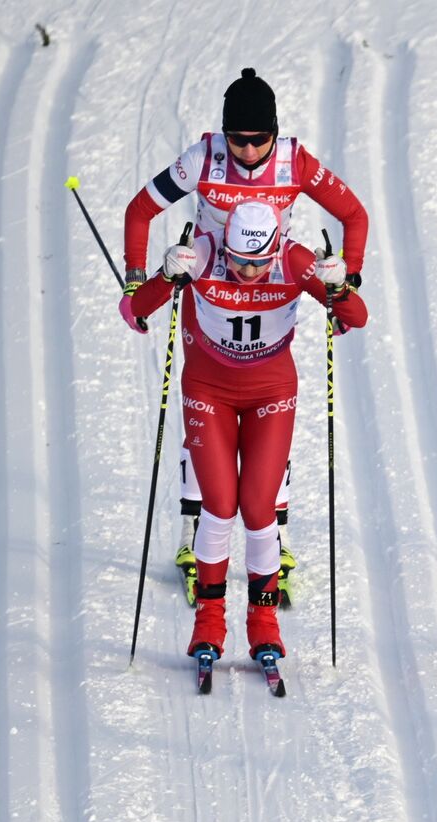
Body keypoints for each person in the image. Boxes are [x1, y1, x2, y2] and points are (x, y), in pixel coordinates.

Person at [119, 68, 369, 604]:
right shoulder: (201, 158)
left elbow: (353, 214)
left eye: (261, 139)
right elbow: (140, 209)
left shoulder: (295, 162)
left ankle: (273, 535)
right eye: (240, 139)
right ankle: (194, 535)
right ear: (224, 134)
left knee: (265, 416)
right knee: (205, 411)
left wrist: (347, 279)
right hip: (207, 283)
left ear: (275, 133)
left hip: (271, 285)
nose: (250, 150)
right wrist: (139, 278)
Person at [125, 200, 368, 668]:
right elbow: (136, 308)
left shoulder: (295, 261)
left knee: (259, 509)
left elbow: (356, 318)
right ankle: (209, 625)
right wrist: (166, 275)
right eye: (238, 261)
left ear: (274, 248)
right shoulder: (203, 251)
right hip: (208, 391)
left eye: (258, 262)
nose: (248, 271)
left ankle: (264, 626)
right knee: (218, 506)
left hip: (271, 393)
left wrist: (338, 288)